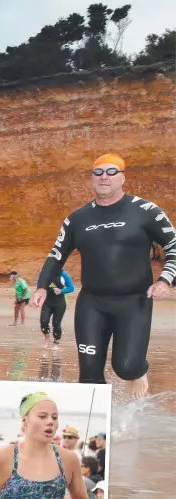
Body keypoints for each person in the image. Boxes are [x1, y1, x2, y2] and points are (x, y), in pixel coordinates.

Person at [32, 153, 176, 398]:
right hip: (93, 302)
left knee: (127, 366)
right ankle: (97, 433)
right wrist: (42, 285)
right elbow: (57, 254)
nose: (104, 177)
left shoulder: (145, 210)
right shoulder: (77, 219)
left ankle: (138, 371)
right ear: (92, 178)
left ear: (122, 178)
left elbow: (173, 245)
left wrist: (165, 280)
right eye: (98, 172)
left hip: (134, 302)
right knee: (88, 377)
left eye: (111, 171)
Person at [37, 269, 75, 348]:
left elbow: (71, 288)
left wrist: (61, 291)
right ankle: (47, 339)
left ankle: (56, 342)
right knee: (43, 321)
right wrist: (38, 297)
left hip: (60, 303)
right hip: (47, 302)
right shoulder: (43, 273)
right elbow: (39, 287)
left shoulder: (64, 274)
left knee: (56, 323)